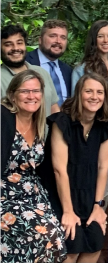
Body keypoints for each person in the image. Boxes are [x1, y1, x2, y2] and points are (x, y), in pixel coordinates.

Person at [38, 73, 108, 263]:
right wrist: (68, 211)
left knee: (95, 243)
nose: (94, 96)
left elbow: (102, 166)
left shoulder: (107, 122)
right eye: (88, 91)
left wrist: (99, 206)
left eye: (99, 92)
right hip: (61, 193)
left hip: (91, 193)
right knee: (70, 247)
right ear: (78, 94)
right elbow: (59, 170)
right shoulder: (62, 122)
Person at [0, 70, 67, 262]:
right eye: (25, 91)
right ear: (12, 95)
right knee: (47, 235)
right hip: (5, 194)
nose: (31, 96)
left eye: (36, 91)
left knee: (56, 241)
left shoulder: (40, 123)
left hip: (34, 194)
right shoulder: (3, 117)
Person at [72, 20, 108, 203]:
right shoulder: (82, 69)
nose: (105, 40)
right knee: (98, 180)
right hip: (96, 128)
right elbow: (77, 107)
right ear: (93, 40)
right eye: (100, 36)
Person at [0, 23, 60, 115]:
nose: (15, 48)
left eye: (19, 43)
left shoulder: (42, 73)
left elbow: (54, 108)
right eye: (8, 44)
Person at [26, 19, 72, 105]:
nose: (58, 41)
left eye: (63, 37)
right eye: (53, 36)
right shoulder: (25, 63)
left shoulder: (68, 70)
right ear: (40, 40)